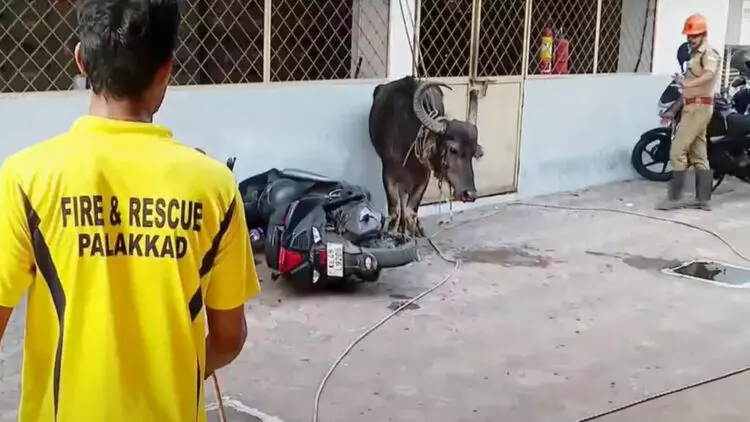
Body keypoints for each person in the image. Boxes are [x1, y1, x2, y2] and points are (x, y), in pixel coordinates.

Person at [0, 1, 260, 421]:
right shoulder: (214, 186)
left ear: (80, 60)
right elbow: (229, 338)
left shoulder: (25, 179)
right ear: (166, 70)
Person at [656, 13, 721, 211]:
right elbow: (687, 88)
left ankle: (675, 198)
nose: (690, 39)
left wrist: (688, 83)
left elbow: (709, 74)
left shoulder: (708, 53)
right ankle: (703, 200)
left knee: (677, 151)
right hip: (692, 106)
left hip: (699, 107)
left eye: (694, 35)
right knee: (698, 153)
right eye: (689, 36)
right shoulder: (694, 55)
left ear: (704, 34)